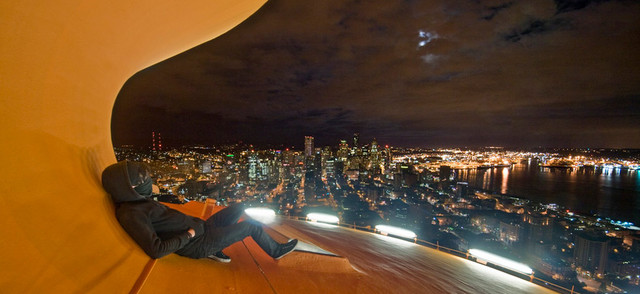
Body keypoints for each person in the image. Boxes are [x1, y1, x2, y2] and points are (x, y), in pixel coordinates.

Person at [101, 160, 297, 262]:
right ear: (128, 188)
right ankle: (276, 251)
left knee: (240, 207)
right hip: (198, 243)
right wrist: (188, 235)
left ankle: (217, 249)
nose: (147, 182)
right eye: (141, 181)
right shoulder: (131, 214)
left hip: (203, 228)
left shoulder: (138, 202)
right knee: (251, 227)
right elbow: (156, 250)